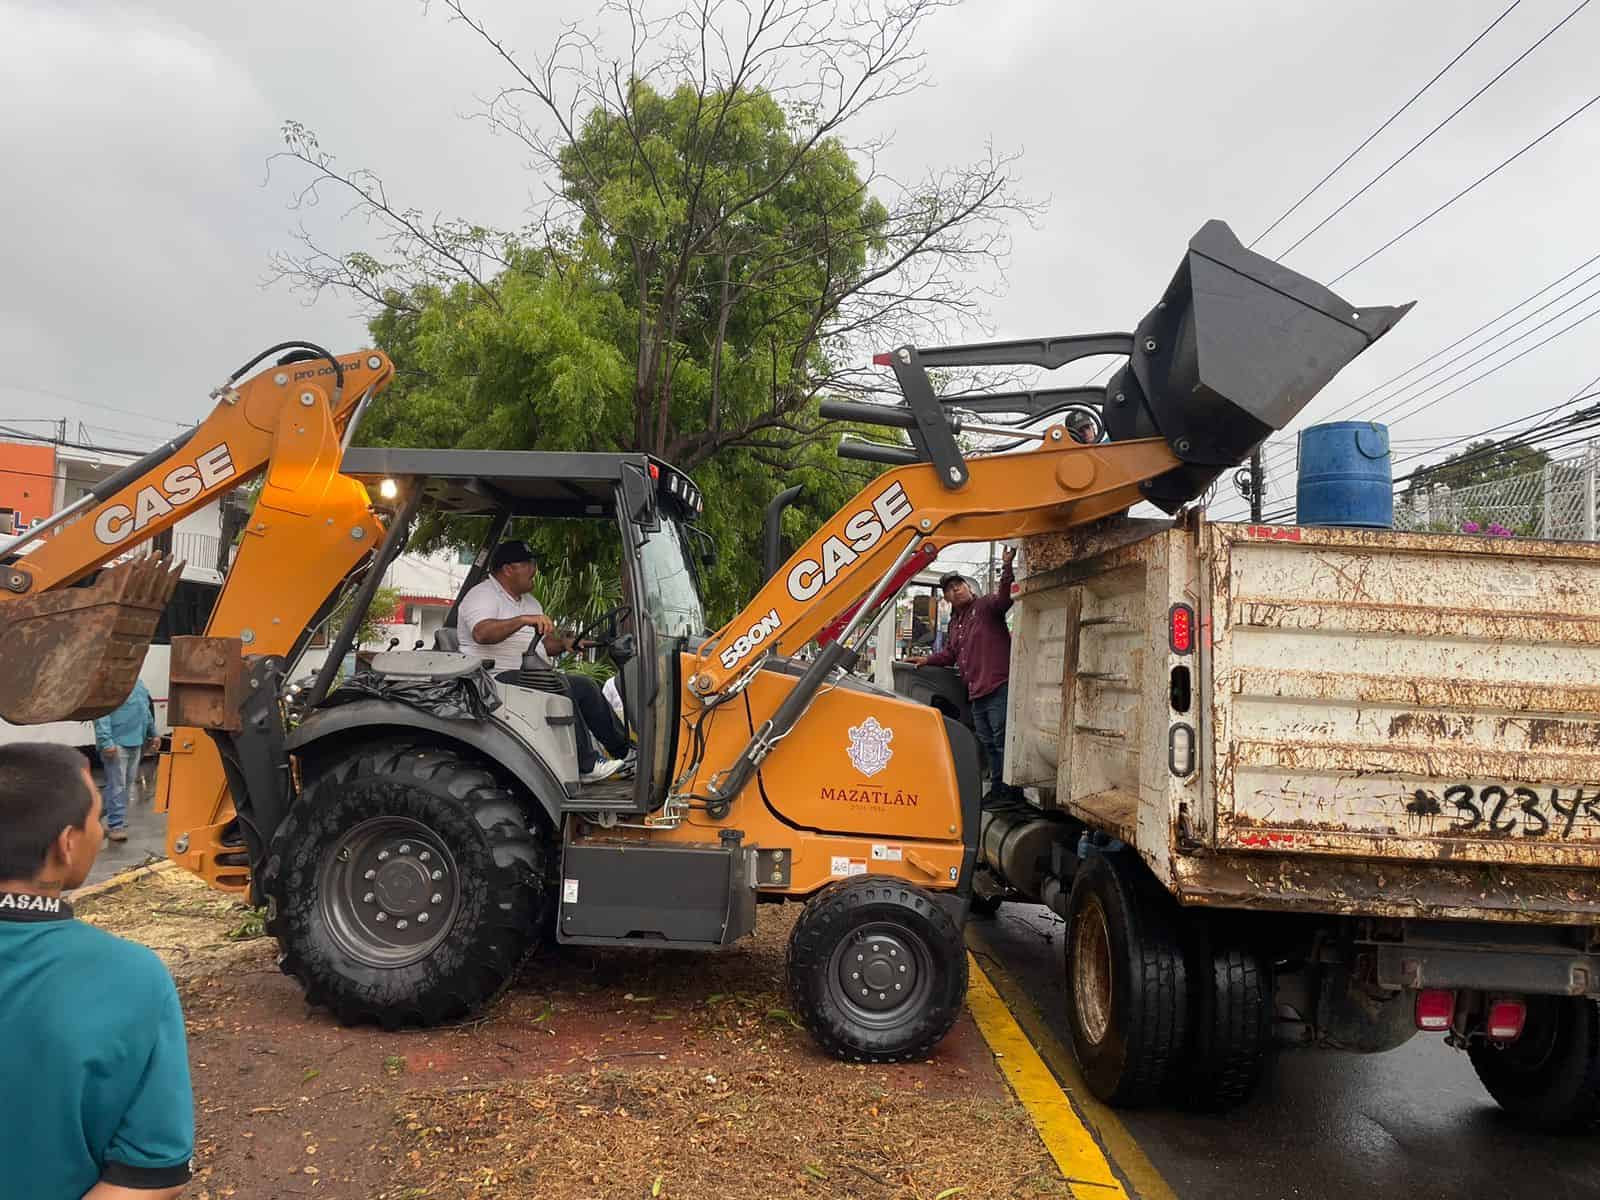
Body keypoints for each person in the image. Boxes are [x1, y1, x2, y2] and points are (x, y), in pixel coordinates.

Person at [0, 743, 194, 1198]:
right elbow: (148, 1176)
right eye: (98, 817)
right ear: (66, 845)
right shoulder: (132, 979)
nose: (103, 831)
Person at [457, 541, 631, 783]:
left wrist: (564, 643)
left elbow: (543, 645)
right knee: (558, 685)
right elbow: (482, 634)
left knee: (585, 686)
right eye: (528, 563)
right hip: (492, 679)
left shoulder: (529, 602)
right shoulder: (482, 595)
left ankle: (627, 754)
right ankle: (587, 766)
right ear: (508, 569)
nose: (534, 569)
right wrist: (523, 620)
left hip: (527, 676)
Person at [909, 546, 1017, 800]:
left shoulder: (987, 607)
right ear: (946, 598)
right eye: (949, 588)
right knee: (988, 743)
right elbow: (949, 654)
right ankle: (998, 789)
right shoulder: (955, 625)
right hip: (976, 693)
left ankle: (1009, 794)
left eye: (959, 584)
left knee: (1002, 742)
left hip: (997, 686)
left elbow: (1005, 599)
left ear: (969, 588)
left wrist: (1007, 567)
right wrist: (927, 659)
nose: (955, 589)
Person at [93, 679, 159, 843]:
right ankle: (116, 825)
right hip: (117, 744)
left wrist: (154, 733)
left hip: (136, 742)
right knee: (118, 786)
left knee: (125, 785)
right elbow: (101, 715)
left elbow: (145, 711)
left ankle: (94, 816)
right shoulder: (109, 686)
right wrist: (106, 742)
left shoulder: (140, 685)